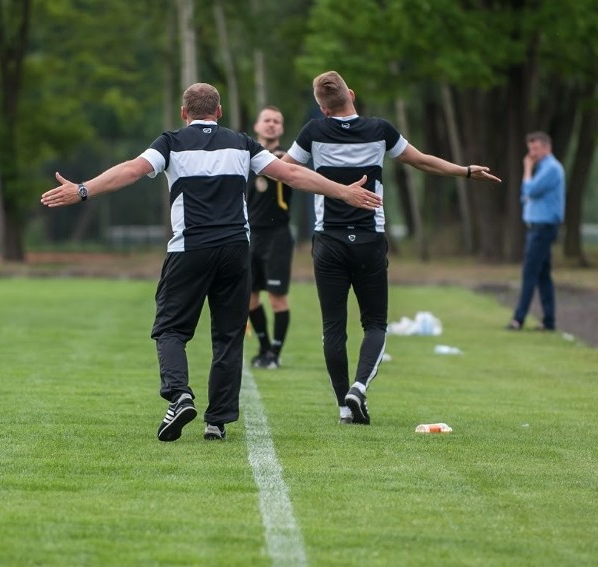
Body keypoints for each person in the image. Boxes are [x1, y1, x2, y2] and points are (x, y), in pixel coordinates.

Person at [40, 83, 382, 443]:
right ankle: (216, 422)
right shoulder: (242, 142)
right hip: (236, 251)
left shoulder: (171, 142)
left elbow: (131, 170)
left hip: (190, 249)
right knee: (229, 336)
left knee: (170, 329)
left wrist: (82, 190)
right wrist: (344, 191)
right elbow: (292, 174)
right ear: (219, 112)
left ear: (184, 113)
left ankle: (179, 395)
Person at [282, 70, 501, 425]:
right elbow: (423, 161)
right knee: (376, 324)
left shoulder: (313, 132)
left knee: (333, 329)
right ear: (351, 94)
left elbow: (284, 169)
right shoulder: (380, 130)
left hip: (329, 242)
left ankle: (343, 406)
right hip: (369, 241)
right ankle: (359, 388)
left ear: (322, 109)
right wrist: (465, 170)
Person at [246, 106, 294, 370]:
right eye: (267, 120)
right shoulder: (245, 158)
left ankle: (275, 352)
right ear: (257, 125)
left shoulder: (285, 158)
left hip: (277, 236)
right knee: (250, 298)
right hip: (251, 234)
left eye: (277, 121)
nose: (272, 124)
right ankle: (264, 349)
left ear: (282, 128)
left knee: (277, 298)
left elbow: (286, 165)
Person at [506, 131, 565, 331]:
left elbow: (528, 190)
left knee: (529, 272)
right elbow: (526, 194)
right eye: (530, 149)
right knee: (543, 276)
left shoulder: (551, 168)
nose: (532, 153)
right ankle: (549, 321)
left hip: (542, 228)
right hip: (538, 228)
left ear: (548, 148)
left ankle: (518, 319)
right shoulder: (544, 169)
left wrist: (527, 168)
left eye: (536, 148)